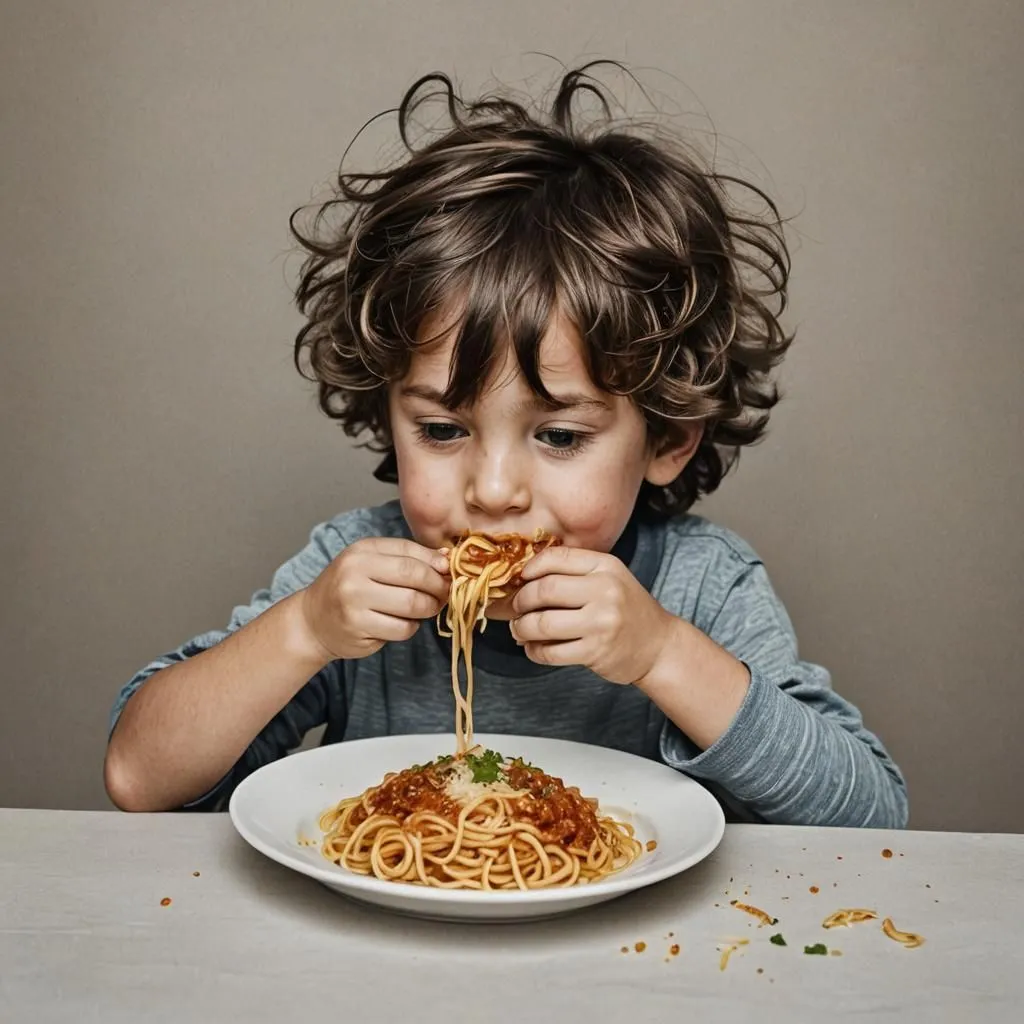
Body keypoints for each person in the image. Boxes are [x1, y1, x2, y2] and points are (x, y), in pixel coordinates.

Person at [104, 64, 908, 826]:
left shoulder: (705, 587)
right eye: (443, 430)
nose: (492, 490)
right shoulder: (350, 568)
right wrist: (304, 630)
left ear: (666, 440)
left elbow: (873, 813)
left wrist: (661, 652)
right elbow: (139, 778)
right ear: (389, 415)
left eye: (559, 436)